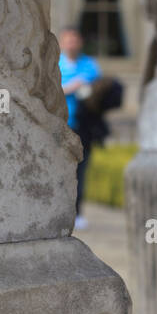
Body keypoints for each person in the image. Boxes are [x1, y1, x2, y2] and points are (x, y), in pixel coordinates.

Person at [58, 26, 101, 230]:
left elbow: (98, 89)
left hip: (84, 126)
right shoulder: (54, 65)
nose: (71, 44)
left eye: (75, 40)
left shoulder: (90, 65)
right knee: (59, 169)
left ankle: (78, 211)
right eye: (68, 40)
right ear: (61, 43)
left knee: (80, 169)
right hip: (60, 125)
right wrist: (72, 86)